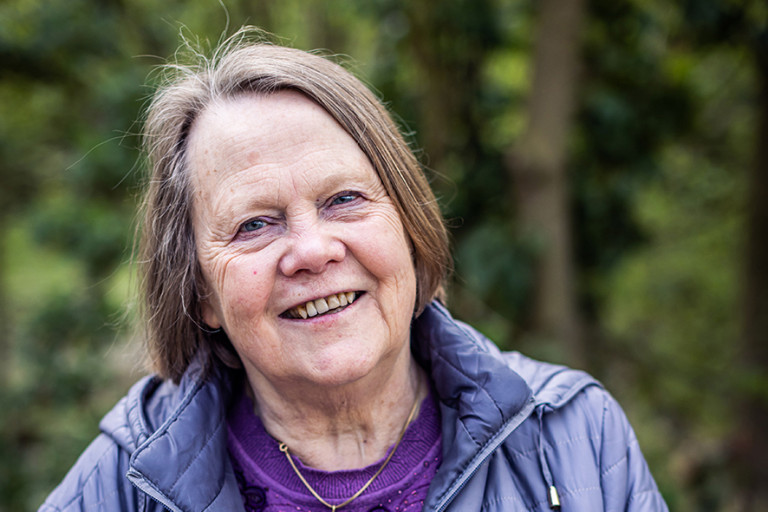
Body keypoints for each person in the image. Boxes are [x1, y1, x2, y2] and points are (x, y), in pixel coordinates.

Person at [39, 28, 667, 512]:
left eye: (344, 199)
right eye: (254, 224)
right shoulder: (123, 483)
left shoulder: (573, 435)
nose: (312, 251)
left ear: (410, 226)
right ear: (199, 291)